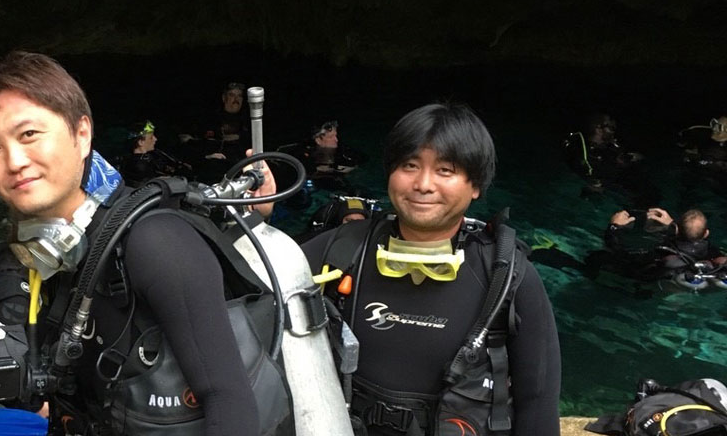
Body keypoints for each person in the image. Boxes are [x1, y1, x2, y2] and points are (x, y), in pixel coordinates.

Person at [0, 52, 279, 436]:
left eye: (29, 134)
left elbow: (231, 403)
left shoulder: (154, 242)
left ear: (82, 134)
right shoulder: (49, 254)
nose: (14, 161)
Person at [301, 103, 561, 436]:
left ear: (475, 185)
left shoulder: (506, 276)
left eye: (445, 170)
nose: (423, 184)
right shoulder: (343, 249)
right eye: (410, 165)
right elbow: (253, 291)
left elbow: (537, 404)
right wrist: (255, 217)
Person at [177, 82, 252, 182]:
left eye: (239, 96)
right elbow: (186, 141)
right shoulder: (208, 120)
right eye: (232, 95)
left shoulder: (248, 122)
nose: (236, 99)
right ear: (224, 98)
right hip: (210, 172)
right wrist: (206, 156)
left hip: (239, 172)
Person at [563, 113, 644, 194]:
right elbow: (595, 178)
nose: (613, 131)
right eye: (611, 128)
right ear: (598, 130)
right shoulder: (582, 151)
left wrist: (632, 159)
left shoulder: (612, 146)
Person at [116, 120, 193, 186]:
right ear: (141, 142)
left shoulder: (154, 154)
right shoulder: (139, 166)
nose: (155, 139)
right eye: (151, 137)